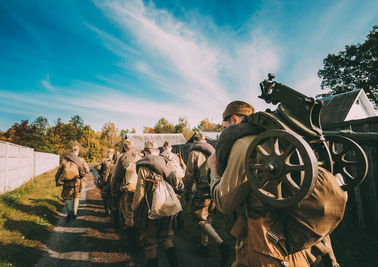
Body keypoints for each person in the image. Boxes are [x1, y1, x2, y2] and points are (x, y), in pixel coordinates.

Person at [209, 101, 344, 266]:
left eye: (225, 126)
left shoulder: (243, 144)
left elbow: (224, 202)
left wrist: (214, 170)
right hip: (305, 235)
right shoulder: (281, 137)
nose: (225, 130)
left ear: (235, 119)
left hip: (269, 243)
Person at [183, 132, 230, 266]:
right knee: (208, 217)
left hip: (202, 190)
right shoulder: (213, 151)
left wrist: (186, 192)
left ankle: (222, 245)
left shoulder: (194, 152)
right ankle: (204, 245)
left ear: (195, 141)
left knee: (199, 218)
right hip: (214, 187)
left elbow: (189, 174)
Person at [131, 141, 180, 267]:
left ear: (146, 152)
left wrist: (134, 211)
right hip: (168, 207)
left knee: (149, 243)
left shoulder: (144, 166)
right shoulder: (166, 162)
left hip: (151, 210)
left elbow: (140, 192)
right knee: (166, 238)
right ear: (157, 151)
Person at [110, 140, 141, 249]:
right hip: (140, 190)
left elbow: (116, 175)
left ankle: (132, 244)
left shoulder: (122, 158)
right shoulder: (140, 156)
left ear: (125, 147)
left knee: (128, 215)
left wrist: (114, 188)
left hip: (128, 190)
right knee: (139, 213)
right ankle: (140, 237)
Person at [55, 144, 90, 223]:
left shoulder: (65, 159)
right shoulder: (81, 160)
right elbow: (87, 170)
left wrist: (57, 180)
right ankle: (74, 213)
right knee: (76, 197)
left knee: (67, 198)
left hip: (67, 183)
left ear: (71, 151)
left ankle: (69, 213)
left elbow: (59, 171)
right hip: (77, 182)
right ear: (78, 151)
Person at [98, 148, 115, 216]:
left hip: (104, 180)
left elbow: (99, 169)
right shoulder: (115, 161)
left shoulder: (104, 160)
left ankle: (107, 210)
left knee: (105, 196)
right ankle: (111, 209)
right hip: (113, 181)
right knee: (111, 195)